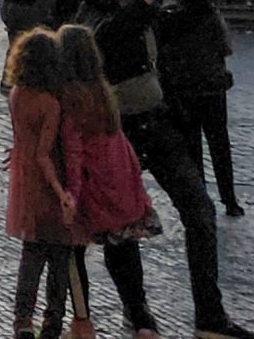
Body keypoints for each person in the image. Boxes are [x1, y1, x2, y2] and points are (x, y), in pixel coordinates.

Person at [85, 0, 254, 339]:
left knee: (199, 209)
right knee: (123, 222)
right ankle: (137, 311)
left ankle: (210, 316)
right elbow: (108, 37)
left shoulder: (150, 12)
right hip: (116, 129)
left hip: (157, 122)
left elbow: (190, 22)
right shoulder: (94, 12)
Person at [54, 22, 159, 339]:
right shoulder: (104, 90)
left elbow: (73, 152)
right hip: (120, 178)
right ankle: (142, 320)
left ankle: (82, 322)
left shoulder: (69, 97)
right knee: (124, 249)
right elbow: (122, 144)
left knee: (73, 253)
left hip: (91, 183)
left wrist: (71, 194)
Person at [6, 27, 89, 339]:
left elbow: (23, 142)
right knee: (59, 255)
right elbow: (44, 154)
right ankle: (52, 320)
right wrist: (62, 192)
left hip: (22, 177)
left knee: (31, 254)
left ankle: (22, 320)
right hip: (46, 181)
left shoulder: (16, 94)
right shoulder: (49, 103)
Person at [161, 0, 240, 216]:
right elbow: (225, 48)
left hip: (185, 90)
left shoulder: (170, 20)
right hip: (213, 88)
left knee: (192, 145)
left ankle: (200, 197)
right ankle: (230, 200)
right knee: (220, 144)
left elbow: (163, 56)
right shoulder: (210, 16)